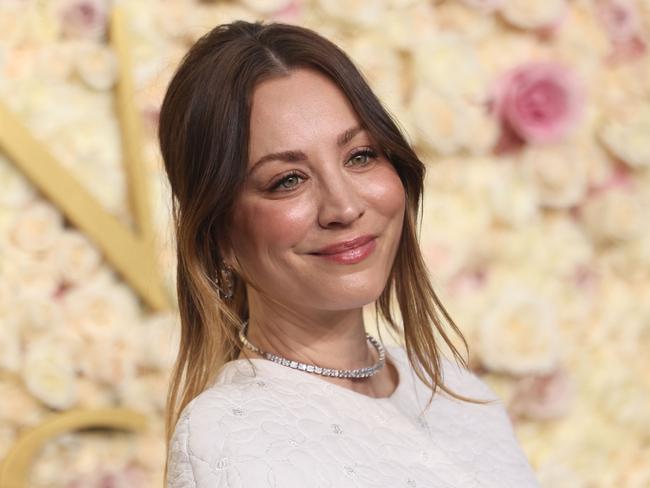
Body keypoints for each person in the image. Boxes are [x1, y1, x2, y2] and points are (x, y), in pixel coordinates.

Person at [159, 19, 540, 488]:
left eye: (360, 155)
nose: (344, 207)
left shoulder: (452, 388)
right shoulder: (226, 438)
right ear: (219, 236)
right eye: (288, 180)